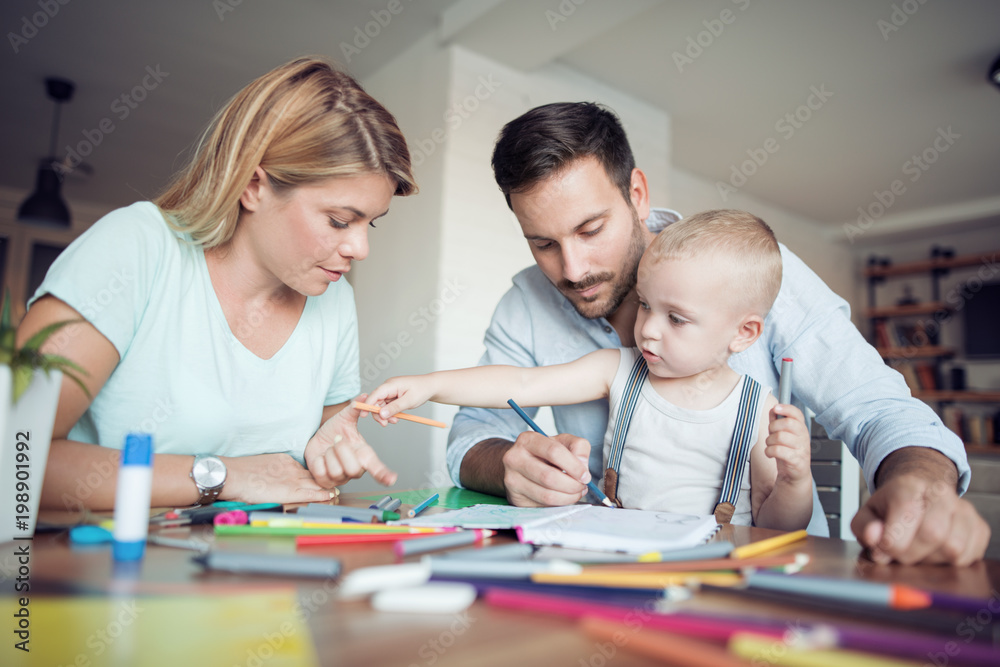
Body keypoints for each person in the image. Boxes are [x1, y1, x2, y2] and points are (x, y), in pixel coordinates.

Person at [445, 102, 989, 565]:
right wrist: (509, 465)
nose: (572, 268)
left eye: (591, 229)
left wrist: (923, 483)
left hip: (773, 577)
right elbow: (472, 433)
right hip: (610, 572)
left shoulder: (747, 271)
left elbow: (874, 405)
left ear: (636, 193)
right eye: (543, 243)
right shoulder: (524, 303)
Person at [19, 57, 413, 511]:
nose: (359, 249)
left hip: (258, 571)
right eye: (340, 220)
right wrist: (224, 475)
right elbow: (16, 455)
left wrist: (324, 454)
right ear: (252, 186)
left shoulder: (335, 301)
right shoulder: (136, 247)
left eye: (371, 225)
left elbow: (313, 455)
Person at [370, 210, 813, 530]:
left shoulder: (760, 412)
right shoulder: (618, 369)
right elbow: (521, 383)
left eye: (675, 318)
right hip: (617, 554)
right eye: (645, 305)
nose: (649, 332)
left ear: (744, 333)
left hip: (713, 573)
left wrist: (795, 480)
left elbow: (779, 526)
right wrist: (428, 385)